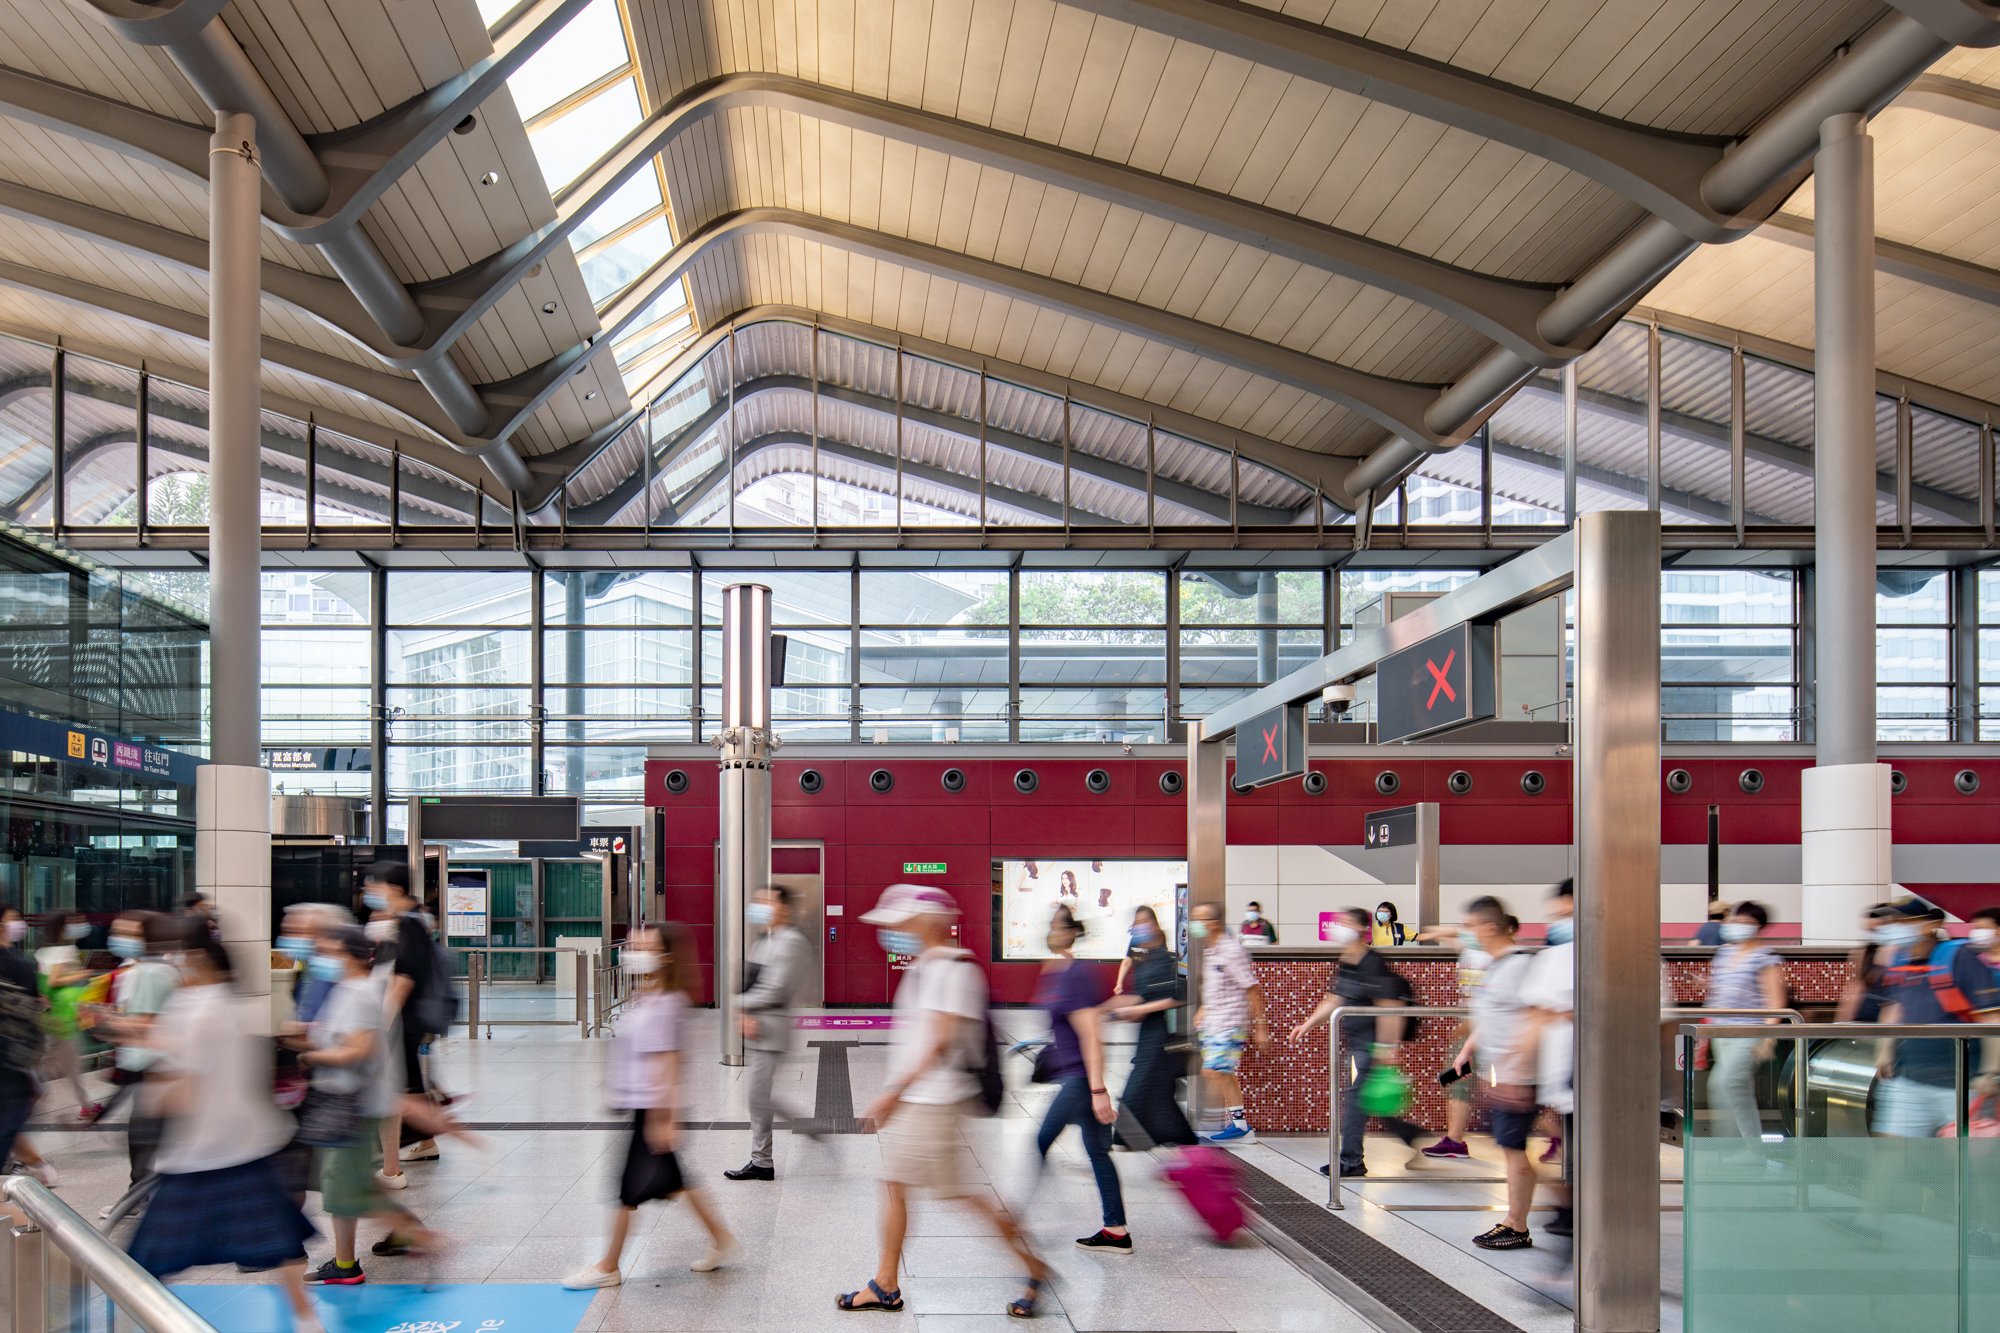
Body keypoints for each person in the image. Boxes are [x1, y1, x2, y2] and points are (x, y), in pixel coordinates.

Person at [834, 884, 1047, 1317]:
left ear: (923, 923)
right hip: (925, 1100)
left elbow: (942, 1038)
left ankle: (888, 1284)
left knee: (931, 1191)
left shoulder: (953, 969)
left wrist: (893, 1094)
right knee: (927, 1190)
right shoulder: (927, 967)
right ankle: (889, 1282)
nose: (891, 932)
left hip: (935, 1102)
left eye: (899, 923)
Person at [124, 917, 322, 1333]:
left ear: (192, 961)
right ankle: (307, 1319)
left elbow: (184, 1086)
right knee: (281, 1242)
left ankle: (151, 1324)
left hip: (198, 1156)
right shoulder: (231, 1005)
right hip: (248, 1146)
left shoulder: (189, 1010)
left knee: (147, 1259)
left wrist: (151, 1098)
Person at [564, 924, 737, 1289]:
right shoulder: (646, 994)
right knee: (675, 1183)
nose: (634, 948)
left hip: (653, 1110)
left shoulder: (667, 1003)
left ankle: (608, 1266)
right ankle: (723, 1240)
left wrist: (665, 1119)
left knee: (626, 1192)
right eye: (635, 943)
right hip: (641, 1104)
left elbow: (669, 1065)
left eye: (644, 945)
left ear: (665, 956)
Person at [298, 926, 440, 1286]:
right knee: (344, 1186)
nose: (322, 956)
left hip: (354, 1106)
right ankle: (348, 1260)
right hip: (343, 1102)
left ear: (350, 955)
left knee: (347, 1188)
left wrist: (311, 1055)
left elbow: (361, 1050)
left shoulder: (360, 993)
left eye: (328, 949)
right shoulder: (345, 990)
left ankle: (417, 1239)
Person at [1289, 907, 1420, 1178]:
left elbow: (1389, 1004)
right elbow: (1334, 998)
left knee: (1355, 1099)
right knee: (1367, 1100)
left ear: (1362, 928)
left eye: (1346, 922)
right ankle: (1412, 1135)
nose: (1340, 927)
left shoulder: (1372, 962)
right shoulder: (1347, 960)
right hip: (1357, 1041)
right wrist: (1308, 1024)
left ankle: (1351, 1160)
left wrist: (1387, 1046)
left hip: (1371, 1044)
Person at [1032, 904, 1129, 1252]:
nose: (1052, 931)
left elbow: (1091, 1034)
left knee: (1041, 1141)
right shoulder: (1057, 970)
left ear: (1072, 932)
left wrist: (1098, 1091)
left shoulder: (1077, 974)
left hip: (1080, 1079)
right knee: (1097, 1151)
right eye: (1051, 925)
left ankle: (1025, 1220)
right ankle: (1116, 1230)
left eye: (1059, 926)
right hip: (1074, 1075)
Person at [1449, 896, 1538, 1250]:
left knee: (1513, 1148)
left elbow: (1533, 1019)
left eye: (1470, 927)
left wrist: (1517, 1071)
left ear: (1488, 927)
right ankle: (1536, 1213)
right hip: (1500, 1072)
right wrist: (1469, 1049)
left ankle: (1516, 1223)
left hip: (1518, 1075)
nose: (1467, 934)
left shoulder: (1518, 966)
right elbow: (1492, 1016)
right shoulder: (1496, 965)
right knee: (1510, 1146)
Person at [1873, 900, 2000, 1138]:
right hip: (1908, 1079)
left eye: (1902, 922)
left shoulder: (1960, 958)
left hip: (1963, 1084)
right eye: (1891, 922)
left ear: (1929, 925)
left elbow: (1992, 1019)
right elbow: (1894, 1008)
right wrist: (1884, 1050)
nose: (1894, 928)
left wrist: (1991, 1072)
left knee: (1966, 1165)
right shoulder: (1898, 961)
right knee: (1892, 1153)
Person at [725, 885, 814, 1182]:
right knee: (758, 1097)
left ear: (784, 909)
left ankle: (766, 1157)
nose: (760, 905)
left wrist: (739, 1004)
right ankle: (762, 1161)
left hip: (773, 1029)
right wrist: (744, 1011)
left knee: (757, 1097)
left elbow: (777, 988)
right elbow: (750, 982)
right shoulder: (764, 940)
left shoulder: (792, 942)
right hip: (757, 1027)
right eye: (759, 900)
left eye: (767, 901)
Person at [94, 912, 179, 1199]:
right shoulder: (154, 968)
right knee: (148, 1137)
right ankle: (143, 1193)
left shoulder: (150, 972)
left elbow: (147, 1022)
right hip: (148, 1067)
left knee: (145, 1139)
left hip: (151, 1067)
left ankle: (141, 1196)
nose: (118, 937)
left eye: (128, 932)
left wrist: (105, 1023)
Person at [368, 862, 439, 1185]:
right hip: (400, 1026)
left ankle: (391, 1168)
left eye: (374, 888)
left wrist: (378, 1026)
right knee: (403, 1093)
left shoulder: (409, 925)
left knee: (395, 1096)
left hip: (400, 1027)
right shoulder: (397, 925)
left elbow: (403, 980)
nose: (369, 894)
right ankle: (403, 1157)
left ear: (393, 889)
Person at [1108, 905, 1195, 1149]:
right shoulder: (1140, 954)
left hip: (1158, 1031)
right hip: (1145, 1030)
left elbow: (1178, 996)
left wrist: (1139, 1010)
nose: (1140, 928)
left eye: (1144, 922)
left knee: (1140, 1084)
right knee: (1158, 1089)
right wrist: (1119, 1002)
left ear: (1155, 925)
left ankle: (1128, 1135)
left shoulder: (1169, 959)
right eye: (1137, 923)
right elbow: (1138, 988)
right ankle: (1177, 1135)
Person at [1516, 881, 1575, 1237]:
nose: (1558, 923)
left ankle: (1572, 1216)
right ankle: (1571, 1214)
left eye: (1566, 914)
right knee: (1577, 1150)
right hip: (1568, 1079)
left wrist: (1518, 1072)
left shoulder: (1557, 959)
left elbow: (1537, 1017)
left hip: (1576, 1075)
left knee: (1583, 1155)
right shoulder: (1555, 957)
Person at [1703, 900, 1786, 1143]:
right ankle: (1729, 1146)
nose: (1737, 925)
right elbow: (1722, 989)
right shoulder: (1725, 953)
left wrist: (1768, 1038)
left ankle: (1751, 1149)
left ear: (1759, 926)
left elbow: (1776, 1001)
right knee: (1720, 1087)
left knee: (1729, 1083)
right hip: (1722, 1032)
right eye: (1735, 920)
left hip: (1750, 1033)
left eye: (1745, 922)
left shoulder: (1765, 958)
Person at [1190, 900, 1267, 1145]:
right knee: (1225, 1075)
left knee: (1213, 1071)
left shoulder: (1231, 950)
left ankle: (1205, 1126)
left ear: (1212, 924)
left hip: (1230, 1024)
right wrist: (1204, 1008)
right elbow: (1216, 986)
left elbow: (1251, 988)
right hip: (1214, 1023)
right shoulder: (1210, 949)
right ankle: (1241, 1127)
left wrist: (1260, 1026)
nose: (1194, 925)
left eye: (1198, 920)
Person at [0, 917, 48, 1187]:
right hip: (12, 1061)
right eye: (11, 919)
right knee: (12, 1115)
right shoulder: (20, 966)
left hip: (12, 1061)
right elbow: (34, 1015)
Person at [35, 911, 95, 1117]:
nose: (78, 925)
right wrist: (82, 974)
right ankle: (86, 1105)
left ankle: (86, 1104)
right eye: (72, 922)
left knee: (55, 1061)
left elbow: (44, 986)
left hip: (50, 1013)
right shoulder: (65, 950)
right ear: (62, 927)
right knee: (67, 1064)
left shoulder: (43, 952)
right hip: (63, 1015)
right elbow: (54, 980)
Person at [1836, 903, 1901, 1023]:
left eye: (1877, 929)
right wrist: (1842, 1021)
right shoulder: (1863, 953)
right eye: (1870, 930)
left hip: (1886, 1017)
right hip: (1863, 1015)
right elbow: (1853, 990)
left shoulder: (1898, 954)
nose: (1873, 935)